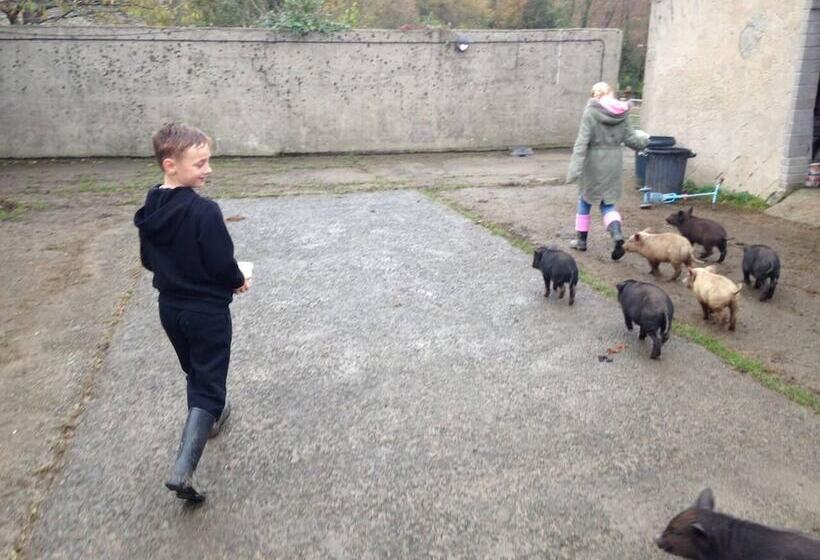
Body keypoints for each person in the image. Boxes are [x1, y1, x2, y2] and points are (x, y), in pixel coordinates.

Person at [134, 122, 250, 502]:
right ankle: (183, 469)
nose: (208, 170)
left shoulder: (151, 205)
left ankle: (211, 418)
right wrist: (237, 280)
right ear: (171, 165)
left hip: (170, 309)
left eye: (208, 162)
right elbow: (221, 263)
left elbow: (148, 259)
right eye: (199, 163)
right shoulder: (205, 211)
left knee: (195, 369)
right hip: (206, 313)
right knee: (208, 384)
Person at [565, 82, 649, 260]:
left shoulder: (590, 112)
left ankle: (581, 241)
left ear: (595, 95)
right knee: (608, 203)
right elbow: (631, 140)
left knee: (585, 200)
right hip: (613, 162)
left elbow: (582, 142)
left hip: (593, 162)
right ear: (611, 93)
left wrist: (574, 169)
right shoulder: (623, 112)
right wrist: (645, 140)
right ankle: (617, 235)